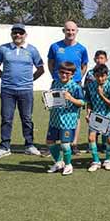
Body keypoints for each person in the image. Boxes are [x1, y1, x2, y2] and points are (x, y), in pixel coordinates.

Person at [0, 23, 45, 159]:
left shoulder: (32, 50)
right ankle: (5, 147)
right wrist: (6, 78)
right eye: (15, 32)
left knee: (27, 119)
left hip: (26, 91)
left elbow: (41, 69)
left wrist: (29, 80)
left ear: (25, 35)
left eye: (20, 33)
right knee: (6, 119)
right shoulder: (3, 49)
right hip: (7, 91)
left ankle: (29, 145)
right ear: (11, 34)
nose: (18, 35)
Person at [47, 20, 88, 154]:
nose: (70, 32)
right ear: (63, 31)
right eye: (68, 30)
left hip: (74, 83)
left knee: (75, 114)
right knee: (56, 109)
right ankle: (54, 141)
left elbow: (84, 66)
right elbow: (50, 63)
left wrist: (77, 79)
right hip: (58, 83)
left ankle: (73, 143)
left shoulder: (82, 49)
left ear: (77, 31)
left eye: (73, 30)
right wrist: (55, 77)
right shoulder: (55, 46)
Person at [45, 61, 85, 176]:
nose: (64, 75)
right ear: (58, 72)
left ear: (72, 75)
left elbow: (82, 102)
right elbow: (52, 97)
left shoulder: (75, 87)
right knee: (50, 141)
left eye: (67, 73)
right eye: (62, 72)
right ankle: (59, 162)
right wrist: (46, 100)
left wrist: (71, 98)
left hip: (68, 121)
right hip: (54, 119)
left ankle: (68, 165)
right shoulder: (55, 83)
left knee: (65, 144)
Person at [84, 64, 110, 172]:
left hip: (108, 116)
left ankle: (107, 160)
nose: (100, 78)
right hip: (95, 115)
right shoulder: (90, 86)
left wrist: (101, 95)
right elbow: (89, 102)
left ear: (107, 75)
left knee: (109, 140)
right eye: (97, 76)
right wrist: (88, 113)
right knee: (91, 138)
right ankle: (96, 161)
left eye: (102, 76)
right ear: (94, 75)